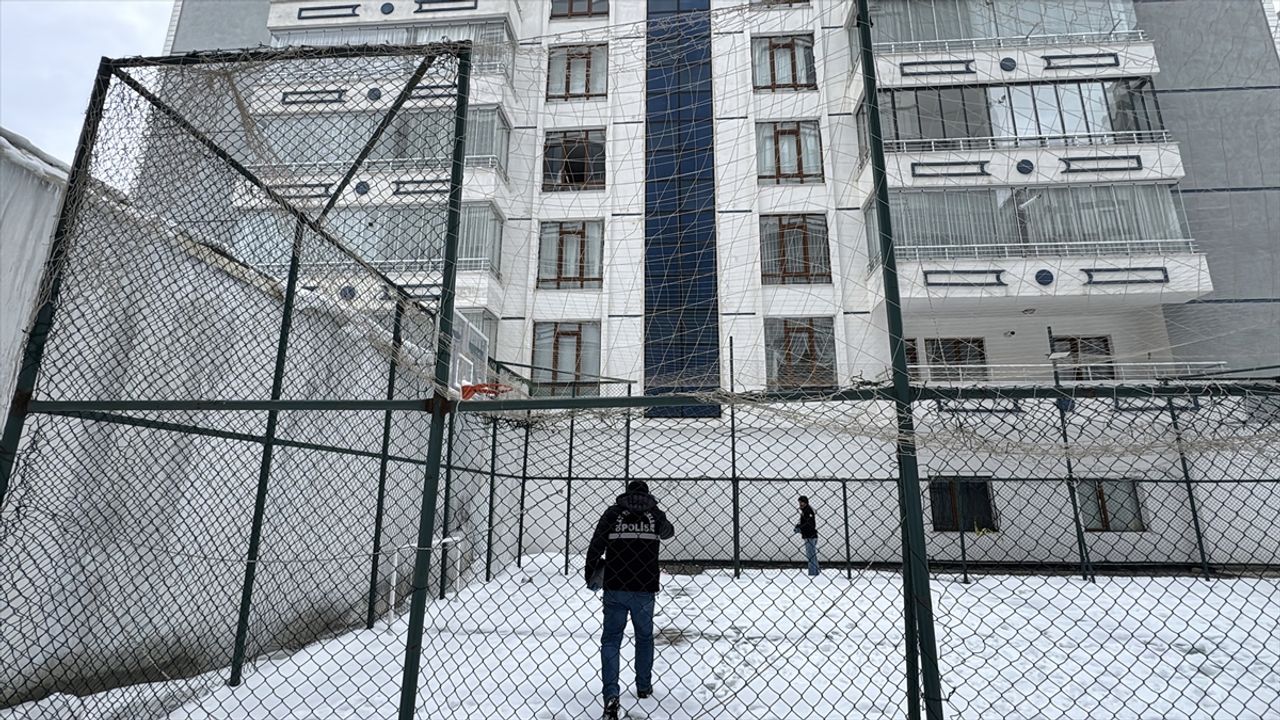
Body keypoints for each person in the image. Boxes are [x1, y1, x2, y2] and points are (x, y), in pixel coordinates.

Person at [585, 480, 675, 720]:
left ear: (627, 493)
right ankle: (643, 686)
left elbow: (596, 545)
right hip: (644, 586)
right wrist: (656, 514)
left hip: (615, 584)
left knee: (611, 639)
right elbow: (669, 532)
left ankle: (611, 695)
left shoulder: (613, 514)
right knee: (644, 637)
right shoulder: (654, 514)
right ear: (646, 495)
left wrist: (591, 574)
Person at [795, 495, 820, 576]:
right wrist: (799, 526)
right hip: (809, 536)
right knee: (812, 555)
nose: (800, 504)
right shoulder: (805, 511)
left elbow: (809, 524)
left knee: (811, 556)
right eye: (799, 502)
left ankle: (813, 573)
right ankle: (816, 572)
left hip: (810, 536)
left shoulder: (807, 511)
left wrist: (800, 528)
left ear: (806, 502)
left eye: (802, 502)